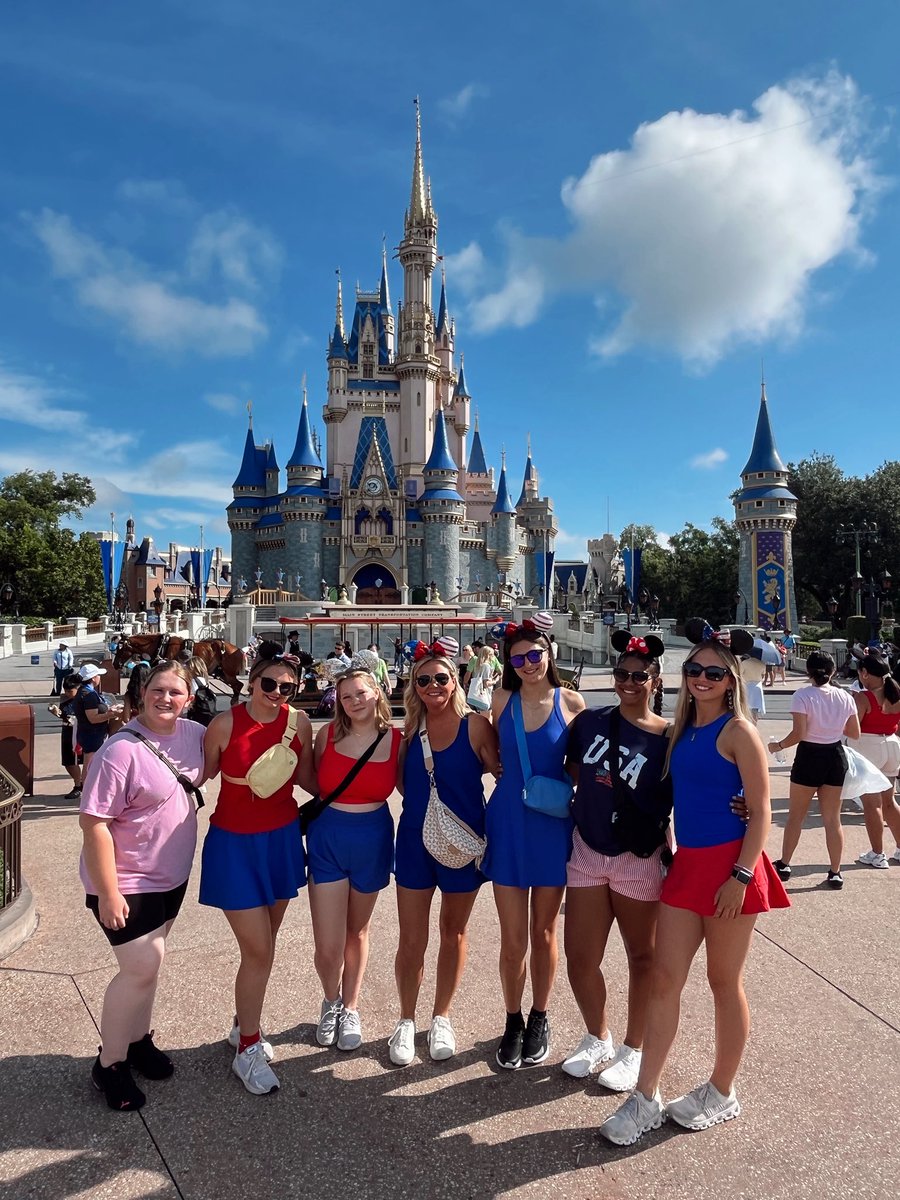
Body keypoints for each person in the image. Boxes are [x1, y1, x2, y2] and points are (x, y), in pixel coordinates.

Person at [600, 632, 788, 1146]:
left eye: (714, 673)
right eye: (694, 671)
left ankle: (722, 1090)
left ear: (731, 681)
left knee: (723, 981)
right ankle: (645, 1096)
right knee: (664, 979)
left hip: (730, 869)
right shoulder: (681, 729)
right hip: (687, 866)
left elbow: (762, 811)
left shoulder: (739, 731)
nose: (702, 679)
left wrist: (741, 876)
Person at [79, 662, 205, 1112]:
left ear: (189, 698)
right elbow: (94, 824)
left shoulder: (194, 734)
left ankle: (137, 1041)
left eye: (176, 692)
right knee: (139, 969)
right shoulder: (119, 751)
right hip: (127, 879)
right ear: (142, 692)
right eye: (157, 690)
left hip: (171, 876)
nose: (165, 699)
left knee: (150, 967)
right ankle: (109, 1063)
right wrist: (108, 892)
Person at [200, 644, 314, 1095]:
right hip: (234, 844)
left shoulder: (298, 723)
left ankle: (242, 1024)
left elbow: (308, 778)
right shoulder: (225, 724)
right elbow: (198, 776)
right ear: (251, 683)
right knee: (259, 950)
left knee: (265, 942)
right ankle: (248, 1047)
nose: (278, 692)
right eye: (269, 683)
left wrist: (362, 782)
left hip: (280, 840)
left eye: (288, 688)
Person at [562, 633, 670, 1091]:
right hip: (588, 849)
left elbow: (694, 789)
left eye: (639, 676)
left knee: (642, 957)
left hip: (637, 857)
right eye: (622, 674)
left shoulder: (668, 738)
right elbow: (572, 771)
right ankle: (597, 1036)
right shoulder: (590, 722)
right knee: (580, 956)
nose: (628, 682)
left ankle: (634, 1048)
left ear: (655, 681)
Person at [480, 614, 585, 1069]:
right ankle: (512, 1019)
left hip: (550, 825)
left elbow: (582, 766)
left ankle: (540, 1015)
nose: (528, 664)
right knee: (512, 939)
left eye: (535, 654)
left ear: (549, 653)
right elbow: (488, 753)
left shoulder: (571, 701)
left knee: (544, 932)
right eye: (518, 658)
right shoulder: (501, 700)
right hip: (508, 822)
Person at [389, 639, 500, 1066]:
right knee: (411, 936)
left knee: (453, 931)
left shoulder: (476, 726)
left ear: (456, 680)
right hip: (414, 842)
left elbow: (502, 772)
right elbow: (404, 784)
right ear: (414, 687)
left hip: (463, 842)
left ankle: (442, 1016)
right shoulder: (409, 731)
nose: (433, 686)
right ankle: (405, 1019)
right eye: (424, 680)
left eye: (441, 678)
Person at [308, 660, 401, 1053]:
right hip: (329, 836)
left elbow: (414, 787)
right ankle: (330, 1001)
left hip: (373, 837)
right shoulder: (327, 735)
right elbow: (312, 781)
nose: (354, 701)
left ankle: (351, 1007)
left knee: (357, 931)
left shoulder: (397, 739)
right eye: (346, 697)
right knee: (328, 944)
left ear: (376, 692)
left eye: (361, 693)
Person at [770, 651, 860, 889]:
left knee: (796, 816)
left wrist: (778, 746)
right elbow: (854, 732)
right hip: (835, 755)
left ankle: (785, 864)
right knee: (832, 819)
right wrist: (832, 726)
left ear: (808, 671)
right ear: (833, 671)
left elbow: (798, 733)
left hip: (809, 756)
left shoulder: (802, 695)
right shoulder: (845, 696)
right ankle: (835, 872)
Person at [849, 655, 900, 868]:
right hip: (892, 745)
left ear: (865, 673)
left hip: (868, 748)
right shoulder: (896, 693)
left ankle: (878, 853)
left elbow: (853, 729)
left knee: (872, 805)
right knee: (889, 802)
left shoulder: (863, 697)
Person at [74, 664, 123, 777]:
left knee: (92, 764)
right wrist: (112, 714)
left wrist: (109, 710)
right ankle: (87, 786)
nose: (99, 678)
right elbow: (93, 718)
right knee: (90, 765)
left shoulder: (86, 691)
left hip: (90, 733)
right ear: (93, 678)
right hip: (92, 735)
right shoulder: (89, 695)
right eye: (98, 675)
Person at [52, 672, 84, 799]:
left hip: (76, 731)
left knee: (75, 759)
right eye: (65, 691)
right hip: (66, 730)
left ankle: (79, 785)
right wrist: (57, 713)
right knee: (67, 761)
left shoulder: (82, 699)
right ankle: (79, 783)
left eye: (70, 691)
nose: (67, 693)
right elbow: (64, 715)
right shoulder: (65, 699)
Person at [186, 656, 217, 728]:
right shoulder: (205, 681)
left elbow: (190, 698)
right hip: (207, 714)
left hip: (196, 715)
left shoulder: (193, 681)